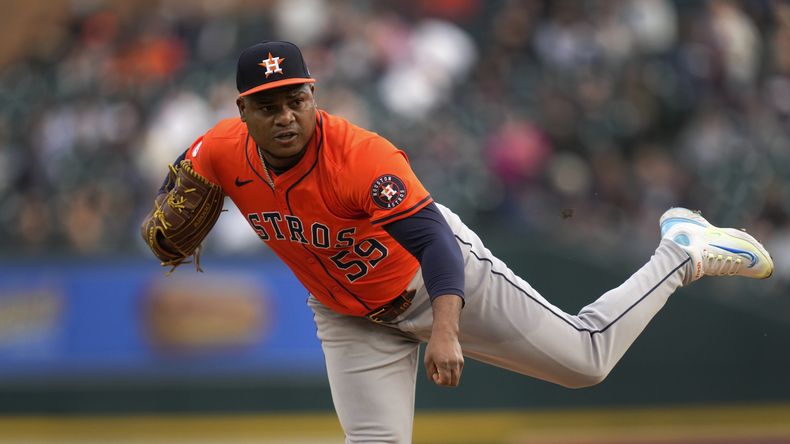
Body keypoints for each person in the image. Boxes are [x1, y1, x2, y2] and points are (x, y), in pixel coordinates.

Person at [141, 41, 774, 443]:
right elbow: (179, 187)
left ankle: (682, 252)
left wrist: (445, 330)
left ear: (313, 96)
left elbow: (435, 243)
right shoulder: (219, 149)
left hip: (434, 281)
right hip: (347, 317)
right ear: (242, 111)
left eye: (295, 99)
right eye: (267, 104)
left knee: (586, 361)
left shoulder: (362, 159)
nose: (284, 116)